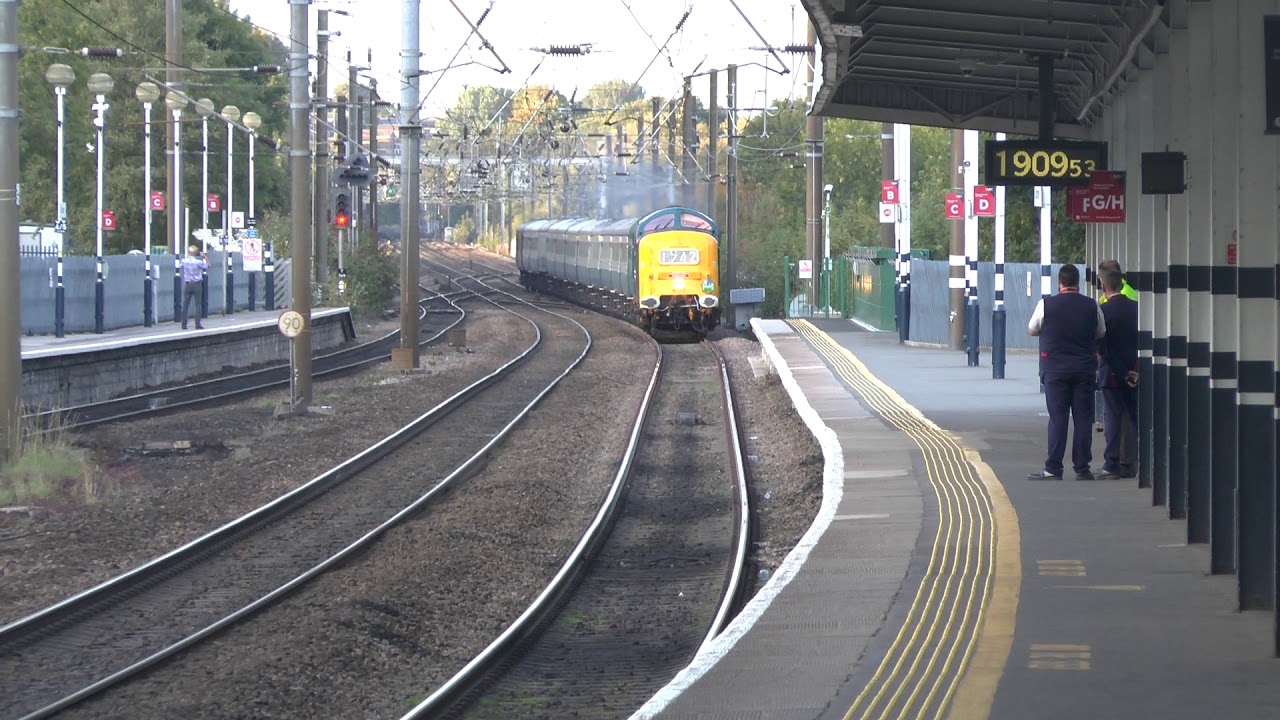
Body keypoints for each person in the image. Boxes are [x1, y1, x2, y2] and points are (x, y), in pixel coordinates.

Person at [1027, 264, 1106, 480]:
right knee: (1083, 419)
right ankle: (1082, 468)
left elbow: (1032, 329)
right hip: (1084, 369)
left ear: (1059, 282)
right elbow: (1101, 332)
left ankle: (1053, 468)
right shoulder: (1091, 305)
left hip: (1055, 369)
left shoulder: (1046, 305)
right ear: (1077, 283)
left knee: (1058, 418)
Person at [1095, 268, 1139, 479]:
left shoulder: (1103, 311)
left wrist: (1121, 371)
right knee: (1132, 416)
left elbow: (1102, 347)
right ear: (1121, 285)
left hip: (1112, 372)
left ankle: (1111, 463)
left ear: (1103, 285)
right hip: (1135, 371)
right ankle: (1131, 462)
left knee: (1112, 416)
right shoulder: (1136, 308)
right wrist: (1132, 371)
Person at [180, 245, 209, 330]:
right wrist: (204, 256)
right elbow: (209, 265)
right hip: (197, 284)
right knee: (198, 304)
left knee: (185, 304)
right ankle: (197, 324)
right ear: (196, 253)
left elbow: (178, 265)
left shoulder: (184, 261)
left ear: (189, 252)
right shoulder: (198, 262)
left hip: (188, 284)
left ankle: (184, 324)